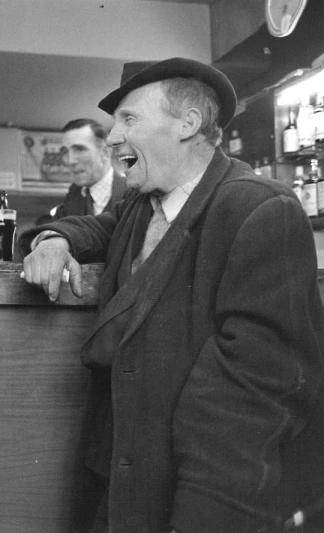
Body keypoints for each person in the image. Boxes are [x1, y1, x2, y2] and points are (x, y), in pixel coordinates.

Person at [19, 57, 324, 532]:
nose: (115, 137)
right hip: (119, 487)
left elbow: (253, 398)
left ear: (189, 123)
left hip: (198, 500)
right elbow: (99, 227)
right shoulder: (141, 205)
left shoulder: (262, 209)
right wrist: (55, 239)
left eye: (129, 119)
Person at [43, 118, 127, 221]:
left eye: (79, 149)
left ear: (105, 152)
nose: (70, 160)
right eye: (65, 152)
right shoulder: (73, 195)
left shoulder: (132, 193)